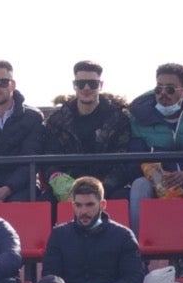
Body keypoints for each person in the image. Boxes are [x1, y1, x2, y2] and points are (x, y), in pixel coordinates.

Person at [41, 60, 135, 200]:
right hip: (67, 189)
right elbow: (49, 159)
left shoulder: (119, 119)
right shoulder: (57, 120)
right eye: (80, 83)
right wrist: (64, 186)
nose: (86, 88)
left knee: (122, 196)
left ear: (100, 85)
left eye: (92, 83)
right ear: (74, 85)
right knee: (46, 199)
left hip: (107, 189)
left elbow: (122, 161)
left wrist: (103, 188)